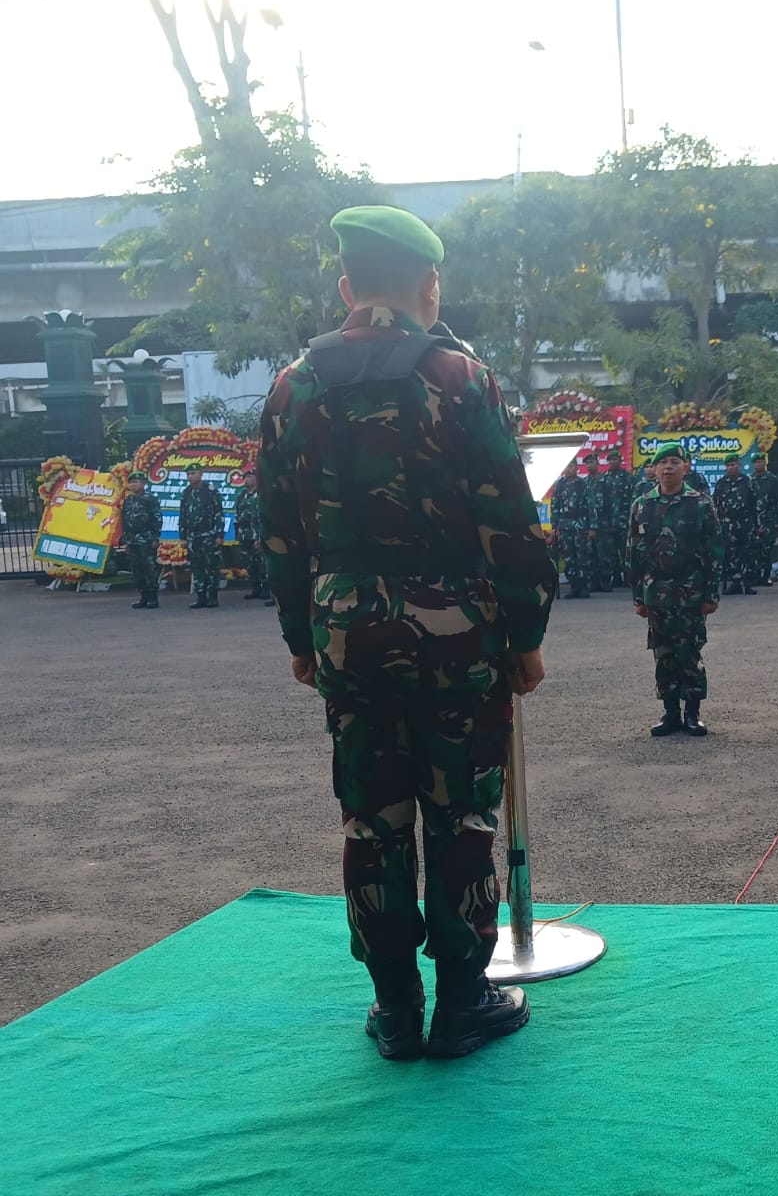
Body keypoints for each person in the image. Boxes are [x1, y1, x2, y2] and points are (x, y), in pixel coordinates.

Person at [258, 204, 556, 1060]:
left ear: (346, 286)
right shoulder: (461, 378)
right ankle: (464, 1003)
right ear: (430, 285)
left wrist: (301, 638)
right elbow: (511, 522)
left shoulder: (292, 388)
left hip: (346, 633)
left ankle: (394, 1008)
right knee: (461, 817)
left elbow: (276, 531)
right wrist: (526, 633)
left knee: (372, 819)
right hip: (456, 635)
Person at [630, 443, 724, 737]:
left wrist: (711, 594)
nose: (668, 467)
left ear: (686, 467)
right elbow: (634, 553)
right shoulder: (642, 505)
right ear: (655, 469)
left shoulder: (700, 504)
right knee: (663, 654)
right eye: (662, 463)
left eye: (674, 462)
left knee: (690, 651)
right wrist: (638, 596)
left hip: (690, 591)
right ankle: (670, 713)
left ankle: (693, 713)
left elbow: (714, 551)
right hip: (656, 592)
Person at [713, 455, 762, 596]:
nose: (731, 468)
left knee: (747, 553)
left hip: (745, 523)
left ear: (738, 465)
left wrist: (757, 525)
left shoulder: (748, 481)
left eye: (733, 465)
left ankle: (747, 584)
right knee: (731, 554)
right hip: (728, 525)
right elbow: (715, 504)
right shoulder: (721, 483)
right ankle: (735, 583)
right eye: (728, 465)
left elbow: (755, 504)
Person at [178, 462, 224, 609]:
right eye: (188, 474)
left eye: (193, 473)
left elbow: (219, 514)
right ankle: (201, 597)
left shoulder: (210, 491)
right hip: (193, 536)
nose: (190, 476)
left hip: (209, 535)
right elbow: (183, 515)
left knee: (211, 566)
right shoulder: (186, 492)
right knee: (196, 567)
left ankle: (213, 597)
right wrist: (182, 536)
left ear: (201, 474)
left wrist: (219, 535)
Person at [121, 469, 164, 609]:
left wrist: (155, 538)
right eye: (131, 482)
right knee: (137, 570)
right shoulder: (128, 500)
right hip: (132, 540)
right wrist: (126, 540)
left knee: (149, 569)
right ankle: (143, 596)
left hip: (147, 539)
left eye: (136, 482)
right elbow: (124, 520)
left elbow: (157, 519)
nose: (133, 485)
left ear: (143, 483)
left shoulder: (150, 499)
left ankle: (153, 598)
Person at [549, 458, 591, 597]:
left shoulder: (583, 484)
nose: (568, 469)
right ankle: (573, 585)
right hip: (565, 524)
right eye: (566, 466)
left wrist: (592, 527)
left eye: (571, 466)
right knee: (568, 556)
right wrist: (554, 527)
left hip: (580, 523)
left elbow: (591, 506)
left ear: (577, 468)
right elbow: (555, 507)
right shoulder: (560, 485)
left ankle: (583, 585)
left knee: (582, 554)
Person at [234, 468, 274, 606]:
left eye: (250, 477)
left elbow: (264, 517)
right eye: (245, 477)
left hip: (257, 534)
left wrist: (260, 536)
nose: (247, 480)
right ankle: (255, 588)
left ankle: (265, 588)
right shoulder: (241, 496)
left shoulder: (262, 494)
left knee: (261, 562)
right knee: (249, 563)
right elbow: (237, 515)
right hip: (244, 535)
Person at [750, 452, 778, 586]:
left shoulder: (773, 480)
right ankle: (755, 575)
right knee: (754, 549)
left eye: (760, 462)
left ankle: (766, 575)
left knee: (767, 548)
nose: (758, 465)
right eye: (756, 462)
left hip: (768, 519)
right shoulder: (749, 480)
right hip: (753, 520)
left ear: (765, 463)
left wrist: (777, 520)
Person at [581, 452, 613, 592]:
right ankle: (593, 582)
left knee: (604, 553)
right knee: (590, 553)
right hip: (588, 524)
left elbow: (612, 503)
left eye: (591, 462)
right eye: (587, 463)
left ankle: (605, 581)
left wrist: (613, 523)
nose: (589, 465)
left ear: (597, 463)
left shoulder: (606, 481)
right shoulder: (584, 483)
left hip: (604, 523)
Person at [605, 448, 632, 586]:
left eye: (615, 459)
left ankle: (628, 578)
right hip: (608, 522)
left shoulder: (628, 478)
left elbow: (633, 500)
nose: (612, 462)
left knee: (626, 551)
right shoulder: (604, 478)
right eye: (610, 460)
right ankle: (616, 577)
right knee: (611, 552)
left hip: (624, 521)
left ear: (620, 461)